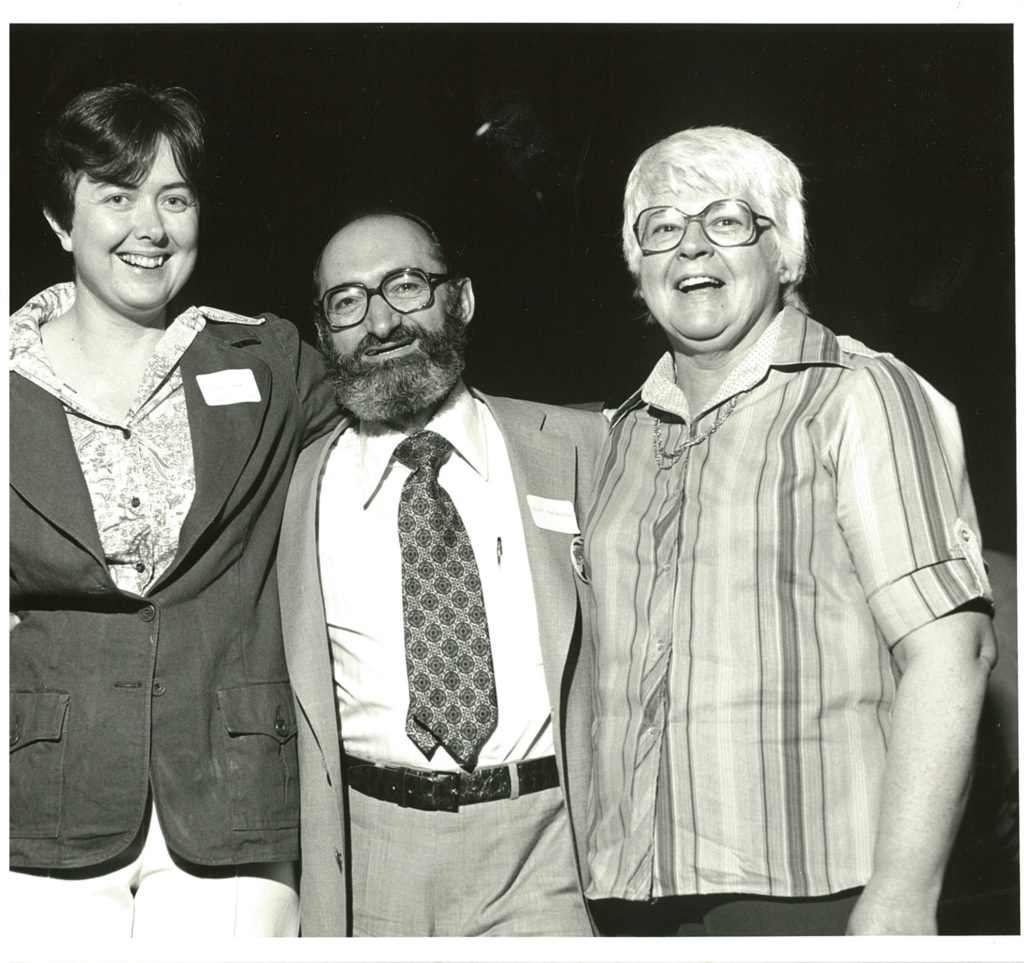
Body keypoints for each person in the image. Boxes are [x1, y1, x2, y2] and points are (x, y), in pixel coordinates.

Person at [579, 126, 997, 936]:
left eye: (728, 219)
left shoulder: (861, 394)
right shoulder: (623, 434)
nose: (691, 245)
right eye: (662, 226)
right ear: (638, 266)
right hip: (632, 894)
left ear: (787, 253)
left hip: (812, 894)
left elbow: (954, 652)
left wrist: (904, 894)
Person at [8, 83, 337, 937]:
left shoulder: (268, 362)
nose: (150, 226)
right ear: (58, 218)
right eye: (117, 196)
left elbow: (397, 410)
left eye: (175, 197)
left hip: (233, 795)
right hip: (41, 800)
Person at [277, 211, 608, 936]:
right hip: (369, 855)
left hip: (549, 847)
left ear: (459, 298)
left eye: (405, 285)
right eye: (347, 302)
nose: (382, 322)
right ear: (325, 332)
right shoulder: (296, 487)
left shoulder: (583, 448)